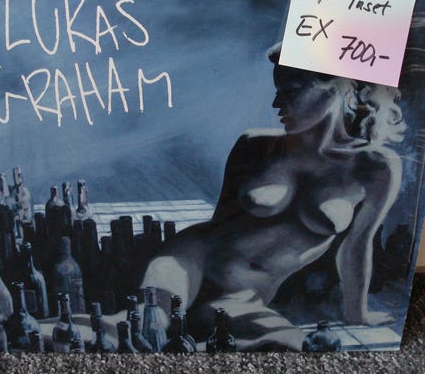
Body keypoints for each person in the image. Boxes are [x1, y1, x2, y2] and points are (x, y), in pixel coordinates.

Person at [141, 42, 406, 351]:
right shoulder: (253, 144)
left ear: (336, 87)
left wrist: (356, 313)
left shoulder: (376, 166)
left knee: (290, 344)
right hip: (189, 258)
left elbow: (356, 246)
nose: (277, 103)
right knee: (145, 322)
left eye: (290, 91)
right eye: (278, 91)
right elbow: (219, 224)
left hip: (242, 295)